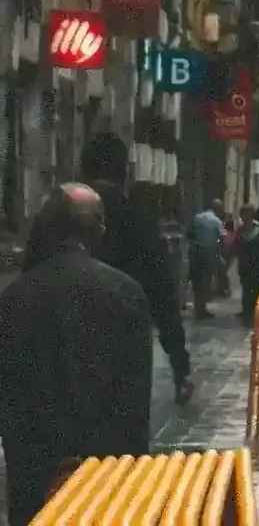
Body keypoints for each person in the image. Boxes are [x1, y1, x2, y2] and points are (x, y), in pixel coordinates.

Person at [1, 185, 152, 525]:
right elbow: (135, 397)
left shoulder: (15, 296)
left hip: (33, 466)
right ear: (98, 228)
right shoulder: (124, 291)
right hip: (106, 468)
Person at [76, 132, 193, 404]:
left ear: (82, 170)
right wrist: (180, 364)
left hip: (61, 350)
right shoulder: (139, 220)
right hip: (123, 347)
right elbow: (163, 295)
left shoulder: (55, 218)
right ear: (125, 172)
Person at [189, 199, 226, 319]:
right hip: (208, 253)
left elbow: (189, 233)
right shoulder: (216, 221)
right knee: (205, 281)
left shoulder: (197, 217)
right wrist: (219, 254)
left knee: (197, 280)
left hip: (195, 252)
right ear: (218, 209)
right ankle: (202, 309)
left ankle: (197, 307)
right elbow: (222, 237)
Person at [234, 205, 259, 325]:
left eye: (247, 214)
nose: (245, 217)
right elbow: (236, 246)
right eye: (243, 215)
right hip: (244, 264)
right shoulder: (240, 230)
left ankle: (255, 310)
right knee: (246, 287)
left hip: (257, 264)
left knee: (256, 288)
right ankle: (246, 310)